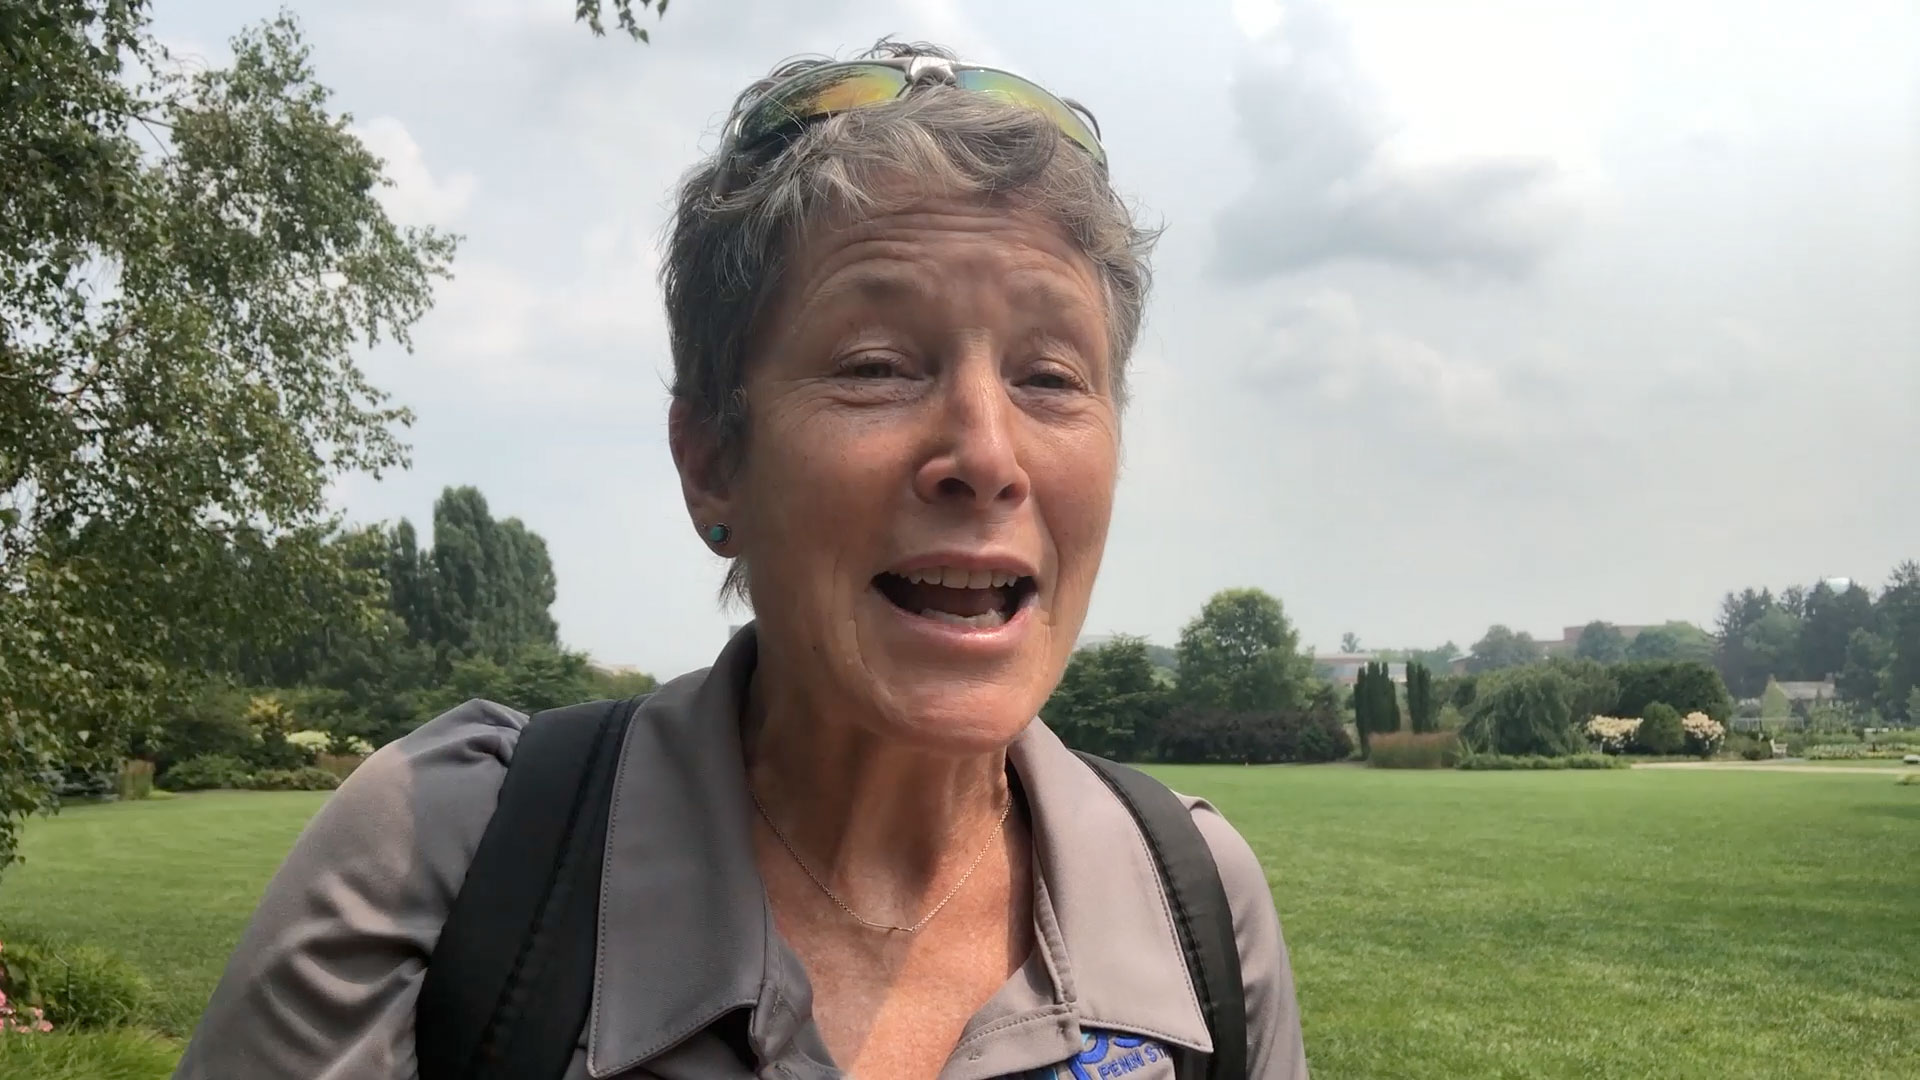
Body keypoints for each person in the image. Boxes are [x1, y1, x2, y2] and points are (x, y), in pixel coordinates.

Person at [174, 41, 1310, 1080]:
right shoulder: (447, 861)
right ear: (713, 460)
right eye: (875, 365)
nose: (985, 453)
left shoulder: (1195, 904)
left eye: (1052, 376)